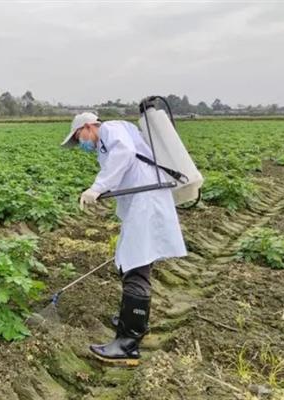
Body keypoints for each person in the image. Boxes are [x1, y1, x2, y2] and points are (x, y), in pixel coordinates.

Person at [60, 112, 187, 366]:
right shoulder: (108, 139)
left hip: (146, 204)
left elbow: (124, 155)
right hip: (142, 204)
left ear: (87, 127)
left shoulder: (111, 130)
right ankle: (135, 322)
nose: (80, 143)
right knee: (133, 261)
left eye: (78, 137)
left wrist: (97, 188)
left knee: (135, 267)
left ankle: (128, 343)